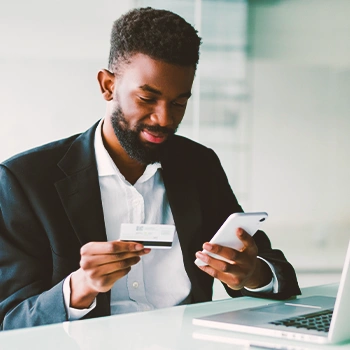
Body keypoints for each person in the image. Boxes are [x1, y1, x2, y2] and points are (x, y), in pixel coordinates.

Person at [0, 7, 300, 331]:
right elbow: (10, 318)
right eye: (147, 98)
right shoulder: (24, 182)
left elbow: (278, 273)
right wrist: (78, 289)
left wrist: (252, 273)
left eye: (179, 103)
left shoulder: (199, 166)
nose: (165, 119)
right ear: (107, 86)